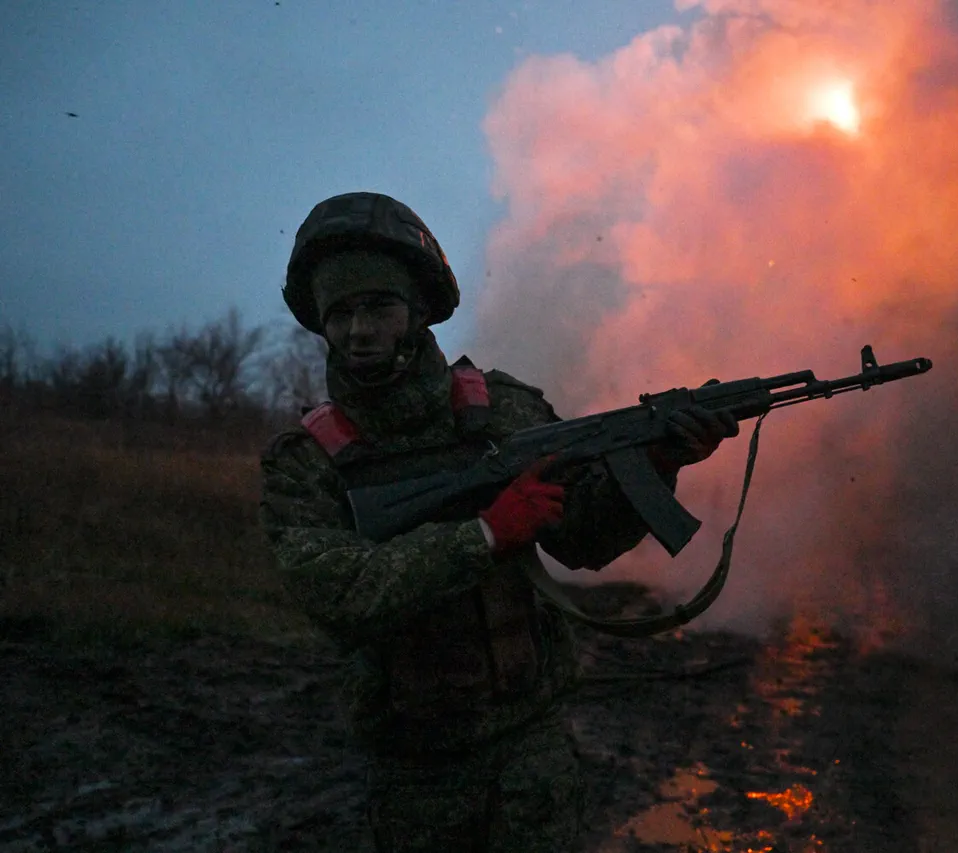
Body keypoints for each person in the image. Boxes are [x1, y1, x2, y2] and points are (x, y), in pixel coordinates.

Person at [258, 191, 738, 852]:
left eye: (378, 306)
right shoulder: (308, 461)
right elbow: (337, 593)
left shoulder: (506, 411)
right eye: (339, 313)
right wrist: (485, 534)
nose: (359, 329)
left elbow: (584, 540)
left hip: (531, 752)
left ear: (418, 309)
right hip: (415, 771)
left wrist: (658, 460)